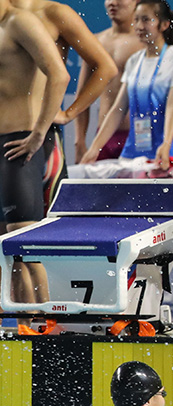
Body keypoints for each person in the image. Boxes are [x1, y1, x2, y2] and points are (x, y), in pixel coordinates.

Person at [9, 0, 118, 209]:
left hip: (36, 136)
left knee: (32, 225)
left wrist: (69, 114)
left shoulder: (55, 13)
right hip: (6, 133)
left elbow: (105, 67)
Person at [0, 0, 69, 323]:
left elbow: (59, 74)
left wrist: (40, 131)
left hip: (20, 141)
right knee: (7, 245)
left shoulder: (20, 22)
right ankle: (24, 324)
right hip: (3, 146)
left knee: (23, 241)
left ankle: (46, 324)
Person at [80, 0, 173, 180]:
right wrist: (95, 147)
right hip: (133, 153)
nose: (139, 26)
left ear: (164, 25)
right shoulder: (134, 61)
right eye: (136, 20)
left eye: (146, 20)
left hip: (166, 154)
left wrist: (166, 144)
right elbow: (118, 110)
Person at [74, 0, 145, 163]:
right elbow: (82, 96)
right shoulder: (95, 41)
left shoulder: (146, 43)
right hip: (103, 138)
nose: (113, 3)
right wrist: (79, 142)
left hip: (140, 137)